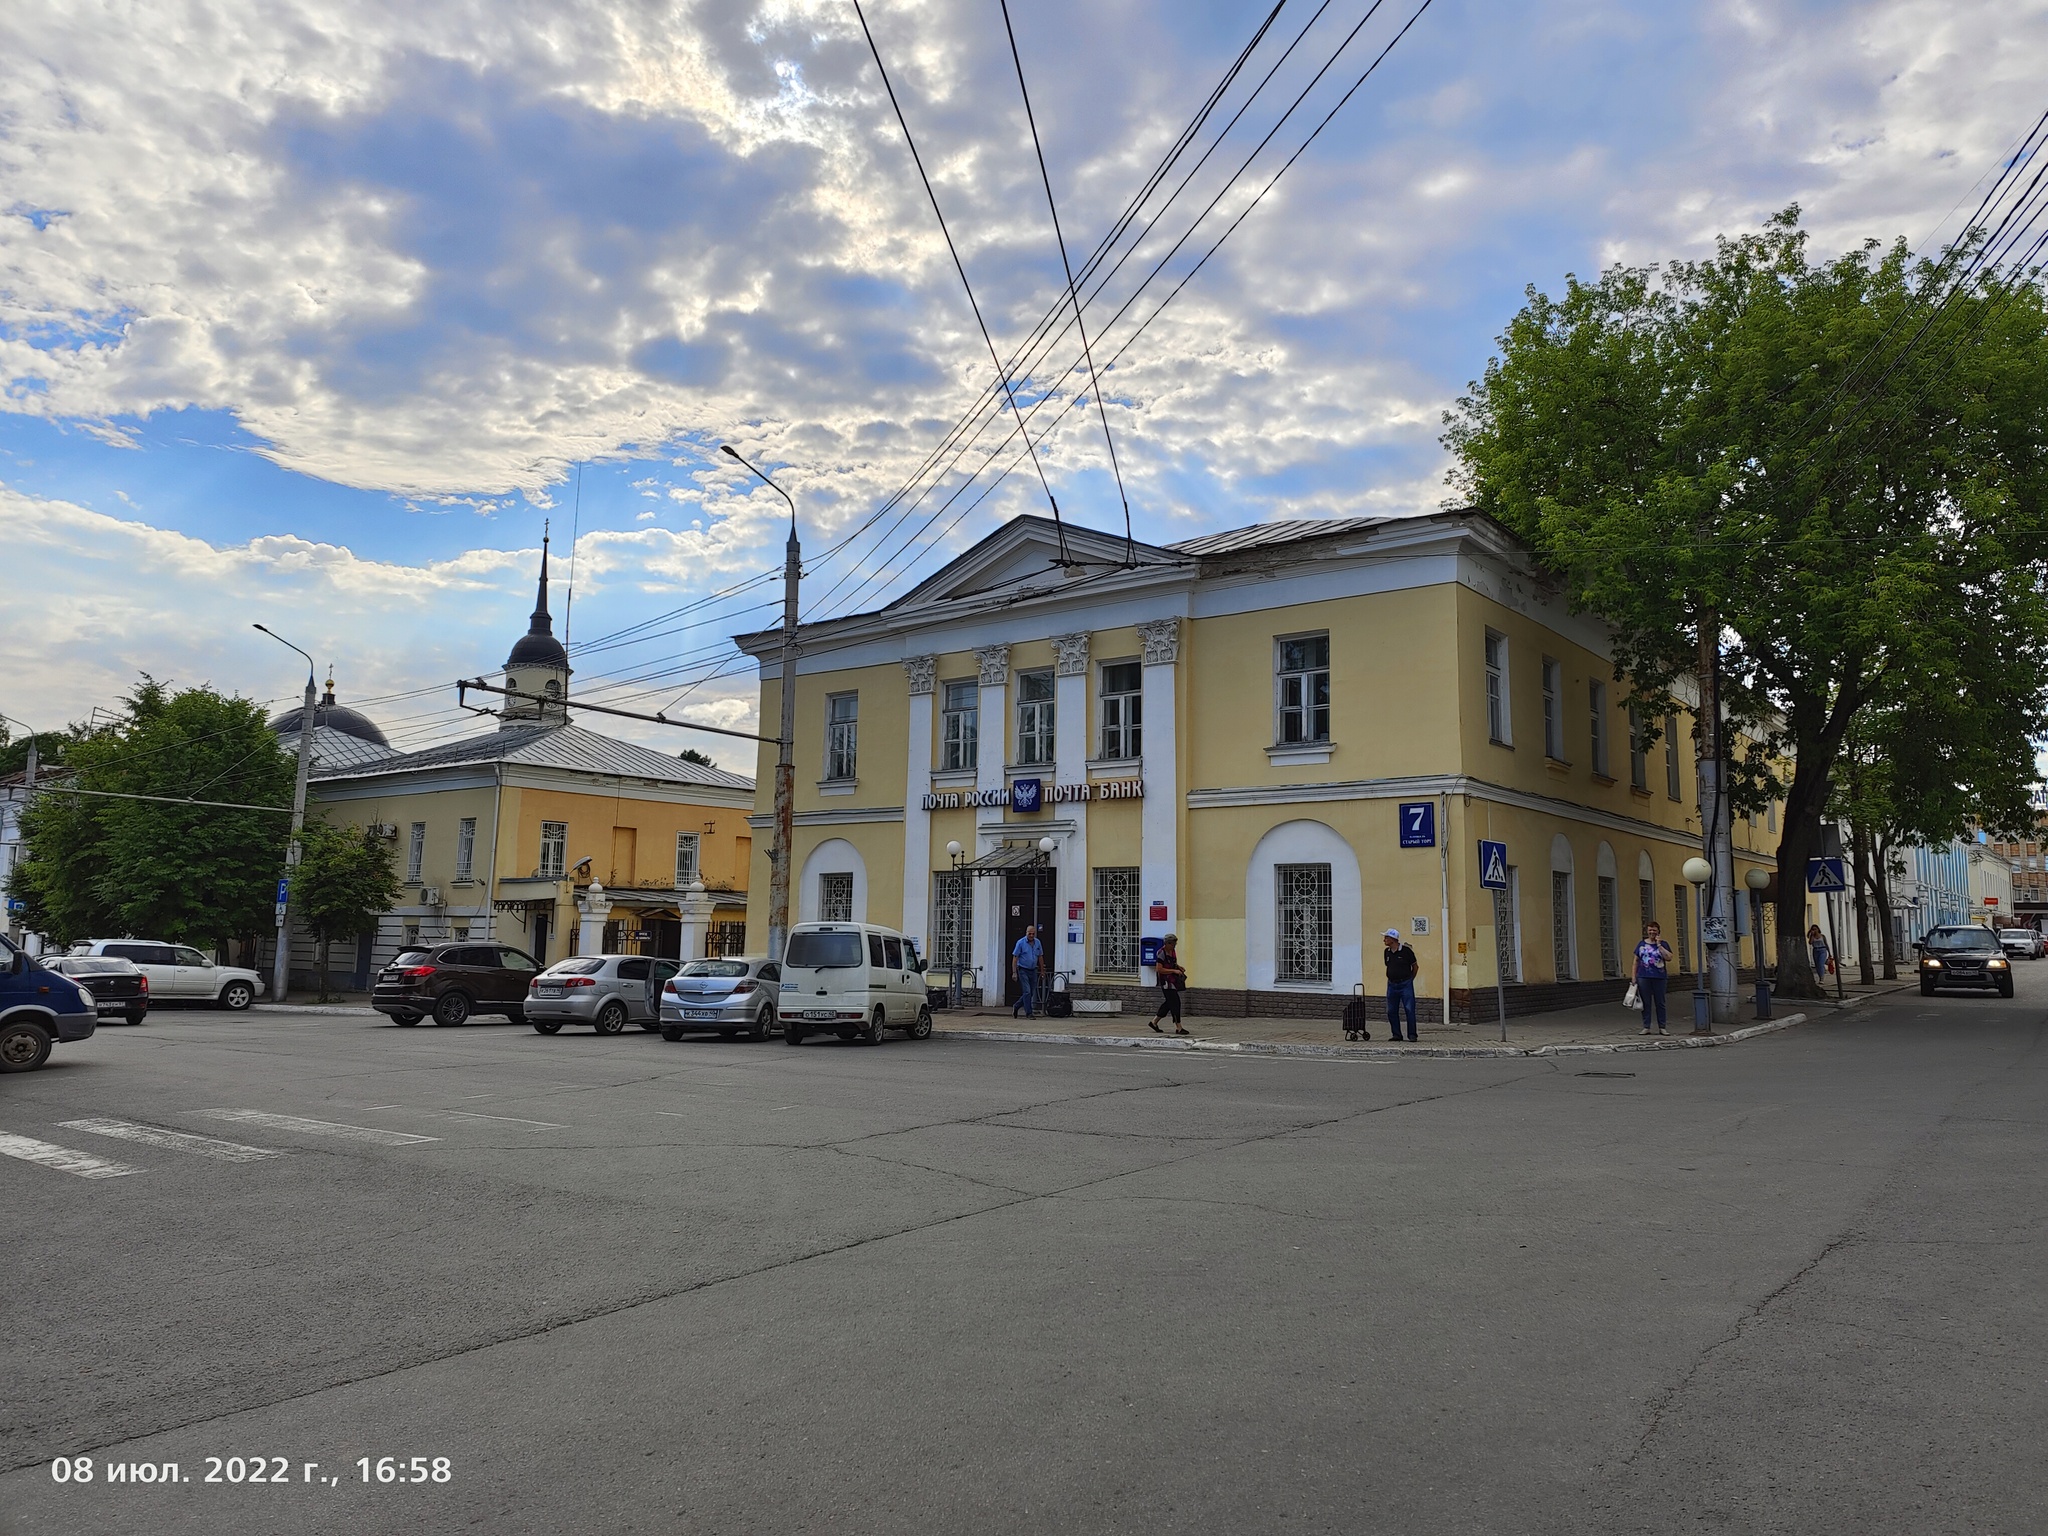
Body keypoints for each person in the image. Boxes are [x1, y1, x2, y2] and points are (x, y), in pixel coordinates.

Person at [1634, 921, 1674, 1035]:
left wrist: (1659, 945)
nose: (1652, 932)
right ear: (1647, 931)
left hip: (1660, 977)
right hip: (1643, 976)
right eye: (1650, 930)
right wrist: (1633, 978)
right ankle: (1646, 1026)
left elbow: (1669, 957)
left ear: (1658, 932)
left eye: (1654, 930)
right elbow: (1635, 961)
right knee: (1646, 1002)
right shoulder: (1641, 944)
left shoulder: (1663, 944)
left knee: (1660, 1002)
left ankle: (1662, 1027)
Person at [1382, 928, 1420, 1042]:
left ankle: (1412, 1035)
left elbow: (1415, 966)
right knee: (1391, 1010)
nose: (1384, 940)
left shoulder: (1406, 951)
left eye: (1386, 938)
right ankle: (1396, 1034)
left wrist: (1410, 979)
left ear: (1393, 939)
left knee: (1409, 1009)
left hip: (1405, 984)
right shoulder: (1387, 952)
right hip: (1392, 984)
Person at [1149, 934, 1190, 1036]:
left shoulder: (1172, 952)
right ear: (1167, 943)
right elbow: (1159, 969)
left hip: (1173, 981)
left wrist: (1178, 967)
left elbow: (1172, 963)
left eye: (1175, 943)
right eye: (1173, 944)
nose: (1174, 945)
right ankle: (1179, 1027)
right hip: (1166, 982)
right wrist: (1174, 971)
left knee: (1169, 1003)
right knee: (1175, 1003)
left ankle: (1154, 1022)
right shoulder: (1161, 953)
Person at [1011, 924, 1044, 1018]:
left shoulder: (1037, 942)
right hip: (1023, 969)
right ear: (1026, 933)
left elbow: (1040, 956)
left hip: (1033, 970)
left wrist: (1042, 970)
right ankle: (1029, 1013)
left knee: (1031, 992)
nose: (1031, 936)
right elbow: (1015, 957)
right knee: (1027, 991)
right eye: (1030, 934)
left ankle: (1016, 1006)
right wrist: (1014, 972)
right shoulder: (1020, 943)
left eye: (1033, 934)